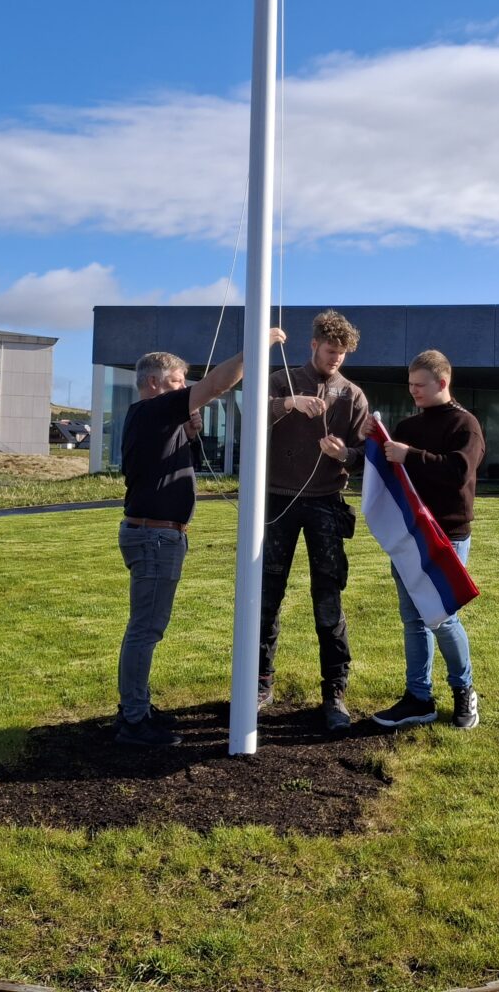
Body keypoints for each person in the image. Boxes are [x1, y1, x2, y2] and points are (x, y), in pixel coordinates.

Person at [114, 326, 287, 747]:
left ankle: (137, 707)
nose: (183, 389)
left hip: (156, 535)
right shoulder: (153, 410)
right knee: (145, 630)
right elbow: (214, 385)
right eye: (176, 382)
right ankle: (133, 719)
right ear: (153, 383)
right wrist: (254, 347)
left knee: (146, 628)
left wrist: (189, 436)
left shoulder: (155, 418)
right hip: (154, 538)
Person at [259, 310, 371, 731]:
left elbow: (366, 454)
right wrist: (288, 403)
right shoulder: (281, 379)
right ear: (313, 345)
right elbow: (250, 416)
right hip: (278, 501)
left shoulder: (353, 395)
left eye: (342, 354)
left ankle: (334, 692)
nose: (335, 359)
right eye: (330, 351)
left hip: (327, 501)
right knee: (267, 595)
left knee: (328, 598)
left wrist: (346, 454)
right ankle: (260, 682)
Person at [366, 350, 485, 731]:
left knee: (442, 617)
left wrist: (410, 455)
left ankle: (464, 690)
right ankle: (418, 697)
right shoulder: (408, 425)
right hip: (409, 535)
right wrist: (357, 449)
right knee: (413, 620)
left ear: (442, 382)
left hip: (447, 536)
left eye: (420, 385)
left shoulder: (466, 425)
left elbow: (458, 471)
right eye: (410, 385)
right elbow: (389, 469)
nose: (413, 391)